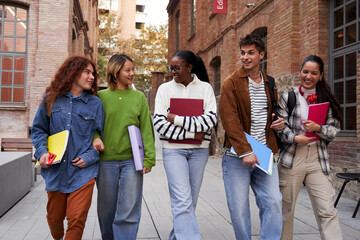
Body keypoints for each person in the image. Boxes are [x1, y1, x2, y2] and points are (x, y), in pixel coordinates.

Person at [31, 55, 104, 240]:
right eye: (87, 72)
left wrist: (90, 157)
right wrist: (42, 153)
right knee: (54, 219)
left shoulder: (95, 104)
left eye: (93, 73)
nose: (92, 77)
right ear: (73, 72)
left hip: (83, 172)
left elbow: (101, 137)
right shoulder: (51, 98)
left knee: (77, 220)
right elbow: (39, 130)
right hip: (56, 171)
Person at [219, 34, 284, 240]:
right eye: (243, 53)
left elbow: (271, 114)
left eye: (250, 53)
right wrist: (245, 150)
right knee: (239, 209)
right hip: (237, 155)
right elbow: (230, 121)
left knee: (273, 201)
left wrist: (279, 122)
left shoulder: (269, 82)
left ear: (261, 55)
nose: (245, 57)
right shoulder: (231, 83)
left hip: (264, 152)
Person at [153, 50, 217, 240]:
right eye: (170, 67)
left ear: (189, 67)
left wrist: (177, 119)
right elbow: (160, 124)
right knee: (182, 200)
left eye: (177, 67)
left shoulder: (205, 88)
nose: (173, 71)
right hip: (173, 151)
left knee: (190, 201)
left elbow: (210, 120)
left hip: (199, 152)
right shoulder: (165, 89)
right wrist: (192, 133)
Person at [277, 55, 343, 240]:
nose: (309, 76)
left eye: (314, 73)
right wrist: (295, 137)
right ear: (300, 72)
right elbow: (279, 128)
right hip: (291, 158)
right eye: (305, 71)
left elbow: (335, 129)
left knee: (327, 209)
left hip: (317, 158)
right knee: (285, 210)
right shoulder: (287, 97)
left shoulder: (326, 99)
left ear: (320, 75)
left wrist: (318, 128)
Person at [92, 54, 156, 240]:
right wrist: (96, 137)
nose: (132, 73)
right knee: (106, 210)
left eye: (133, 69)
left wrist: (149, 159)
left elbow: (146, 130)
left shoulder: (139, 97)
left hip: (131, 161)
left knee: (128, 210)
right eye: (128, 70)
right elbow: (91, 126)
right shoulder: (101, 97)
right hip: (105, 162)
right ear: (115, 71)